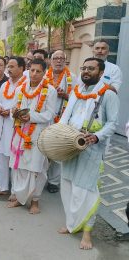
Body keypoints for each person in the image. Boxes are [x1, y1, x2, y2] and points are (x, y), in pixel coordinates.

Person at [58, 57, 118, 250]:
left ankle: (87, 232)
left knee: (86, 189)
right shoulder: (76, 91)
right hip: (70, 144)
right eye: (84, 68)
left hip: (92, 148)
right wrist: (58, 133)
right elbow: (66, 115)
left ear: (100, 73)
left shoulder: (108, 94)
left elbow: (112, 123)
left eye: (91, 69)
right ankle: (71, 223)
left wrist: (96, 136)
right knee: (67, 185)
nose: (86, 71)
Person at [7, 59, 57, 214]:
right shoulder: (20, 89)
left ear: (44, 73)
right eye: (32, 70)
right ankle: (18, 197)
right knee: (19, 167)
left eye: (38, 71)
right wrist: (14, 114)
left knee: (37, 169)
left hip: (38, 135)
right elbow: (12, 109)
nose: (34, 74)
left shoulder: (49, 91)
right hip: (20, 133)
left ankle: (35, 201)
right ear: (28, 70)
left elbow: (50, 114)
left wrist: (31, 117)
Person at [0, 56, 26, 196]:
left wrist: (10, 112)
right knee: (1, 156)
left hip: (16, 127)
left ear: (21, 68)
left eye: (12, 66)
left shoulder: (27, 85)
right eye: (8, 67)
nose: (8, 69)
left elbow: (24, 106)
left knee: (15, 158)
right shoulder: (5, 84)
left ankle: (16, 191)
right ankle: (3, 187)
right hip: (2, 125)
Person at [45, 50, 78, 193]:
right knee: (44, 149)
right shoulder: (44, 76)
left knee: (57, 150)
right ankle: (41, 177)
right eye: (55, 58)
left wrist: (65, 95)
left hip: (63, 119)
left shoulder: (73, 77)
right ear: (50, 61)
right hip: (45, 118)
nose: (58, 61)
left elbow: (77, 99)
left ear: (65, 61)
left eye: (61, 58)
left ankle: (53, 181)